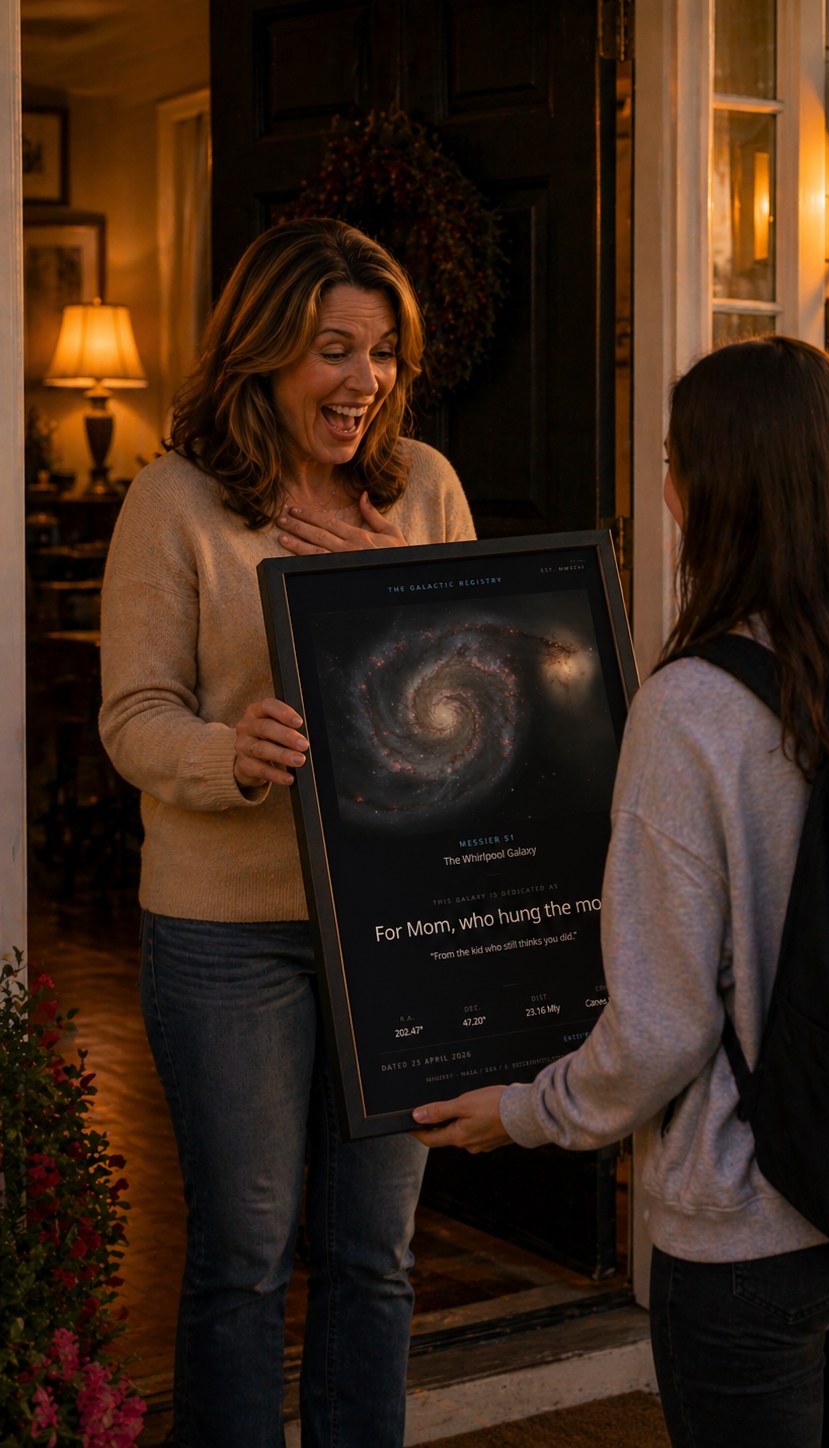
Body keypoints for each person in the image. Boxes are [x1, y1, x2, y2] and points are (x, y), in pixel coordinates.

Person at [411, 336, 829, 1448]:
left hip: (753, 1226)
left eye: (677, 463)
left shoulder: (694, 707)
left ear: (721, 489)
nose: (669, 490)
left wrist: (527, 1110)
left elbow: (664, 1027)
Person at [99, 217, 475, 1448]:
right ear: (263, 353)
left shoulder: (422, 488)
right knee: (247, 1252)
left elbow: (479, 704)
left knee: (377, 1252)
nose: (365, 379)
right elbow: (133, 714)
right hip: (228, 935)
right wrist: (227, 753)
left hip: (393, 926)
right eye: (334, 349)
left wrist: (388, 582)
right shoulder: (176, 499)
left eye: (384, 351)